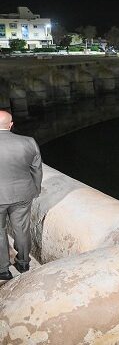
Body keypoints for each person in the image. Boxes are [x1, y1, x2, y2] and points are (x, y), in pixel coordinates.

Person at [0, 110, 42, 280]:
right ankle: (23, 262)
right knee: (22, 229)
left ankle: (3, 269)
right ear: (10, 125)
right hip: (23, 194)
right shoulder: (28, 142)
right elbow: (36, 170)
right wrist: (36, 188)